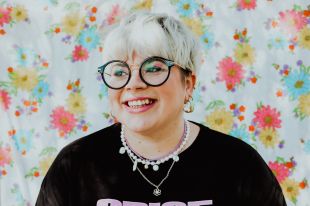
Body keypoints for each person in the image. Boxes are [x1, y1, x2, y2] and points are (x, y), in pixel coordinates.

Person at [35, 12, 287, 206]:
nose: (133, 84)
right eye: (120, 71)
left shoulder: (238, 165)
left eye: (153, 68)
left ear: (188, 83)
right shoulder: (76, 165)